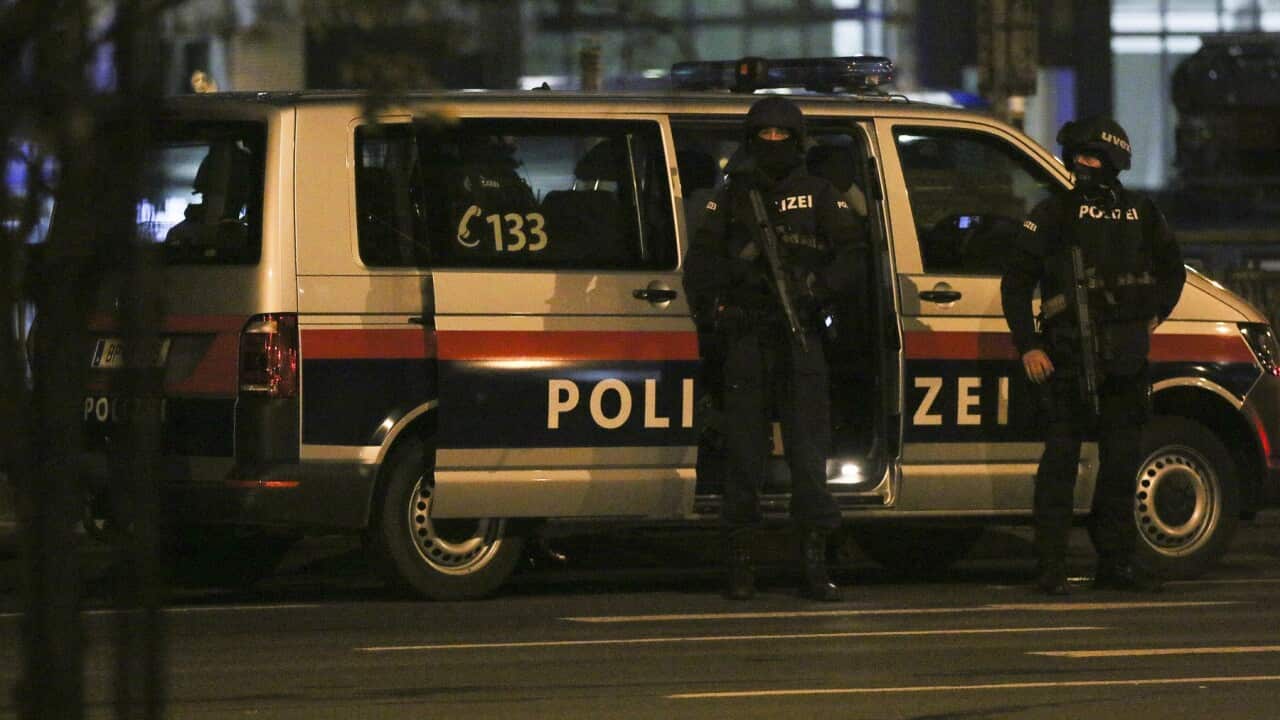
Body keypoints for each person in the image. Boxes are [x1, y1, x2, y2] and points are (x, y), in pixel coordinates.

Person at [683, 95, 867, 601]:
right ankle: (741, 566)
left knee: (810, 454)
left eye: (780, 136)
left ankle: (814, 564)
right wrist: (737, 283)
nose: (772, 144)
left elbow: (853, 255)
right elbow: (698, 268)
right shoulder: (732, 198)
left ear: (798, 140)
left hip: (801, 333)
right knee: (745, 454)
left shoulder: (819, 194)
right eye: (762, 137)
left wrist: (816, 288)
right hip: (747, 337)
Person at [1000, 116, 1186, 595]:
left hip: (1125, 360)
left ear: (1113, 163)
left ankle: (1117, 564)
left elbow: (1172, 269)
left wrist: (1156, 314)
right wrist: (1030, 345)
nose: (1083, 166)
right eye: (1079, 157)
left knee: (1121, 467)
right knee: (1059, 465)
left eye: (1093, 158)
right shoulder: (1054, 213)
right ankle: (1051, 566)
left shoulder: (1142, 211)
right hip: (1067, 358)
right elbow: (1016, 283)